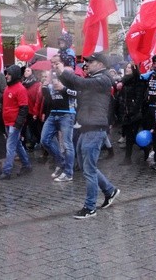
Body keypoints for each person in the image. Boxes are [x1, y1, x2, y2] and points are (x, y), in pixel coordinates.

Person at [54, 52, 119, 219]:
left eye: (91, 61)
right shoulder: (93, 79)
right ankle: (110, 191)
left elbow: (80, 82)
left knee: (88, 169)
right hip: (86, 126)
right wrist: (60, 73)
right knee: (86, 167)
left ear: (101, 64)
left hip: (95, 128)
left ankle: (90, 207)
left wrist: (65, 72)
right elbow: (76, 85)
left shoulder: (102, 79)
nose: (87, 64)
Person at [41, 56, 77, 181]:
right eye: (52, 63)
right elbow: (49, 99)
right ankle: (60, 161)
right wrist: (45, 87)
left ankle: (68, 173)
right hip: (53, 113)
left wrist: (64, 89)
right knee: (44, 140)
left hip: (67, 113)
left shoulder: (69, 75)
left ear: (62, 63)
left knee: (67, 144)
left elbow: (78, 93)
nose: (54, 65)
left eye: (56, 63)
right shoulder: (51, 76)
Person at [0, 65, 33, 180]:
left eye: (9, 74)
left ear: (14, 75)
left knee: (10, 146)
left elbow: (24, 108)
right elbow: (4, 99)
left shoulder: (20, 89)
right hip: (8, 121)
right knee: (17, 145)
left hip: (14, 123)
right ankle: (27, 165)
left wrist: (18, 124)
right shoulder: (7, 88)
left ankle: (7, 171)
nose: (6, 76)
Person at [116, 62, 145, 165]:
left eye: (130, 67)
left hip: (133, 114)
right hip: (125, 112)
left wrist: (133, 111)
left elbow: (138, 99)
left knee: (131, 136)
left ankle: (133, 156)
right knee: (130, 136)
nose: (128, 69)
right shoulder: (124, 81)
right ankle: (129, 157)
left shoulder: (137, 81)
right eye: (127, 67)